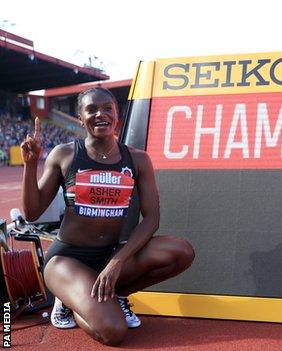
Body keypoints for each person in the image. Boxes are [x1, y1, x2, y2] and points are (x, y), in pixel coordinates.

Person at [20, 87, 195, 346]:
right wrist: (30, 164)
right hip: (67, 260)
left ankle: (118, 293)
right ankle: (69, 299)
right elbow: (32, 213)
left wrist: (117, 263)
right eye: (91, 109)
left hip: (110, 255)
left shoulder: (137, 159)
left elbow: (151, 219)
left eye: (107, 108)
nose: (99, 114)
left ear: (117, 117)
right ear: (80, 118)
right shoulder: (65, 154)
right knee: (114, 331)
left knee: (181, 251)